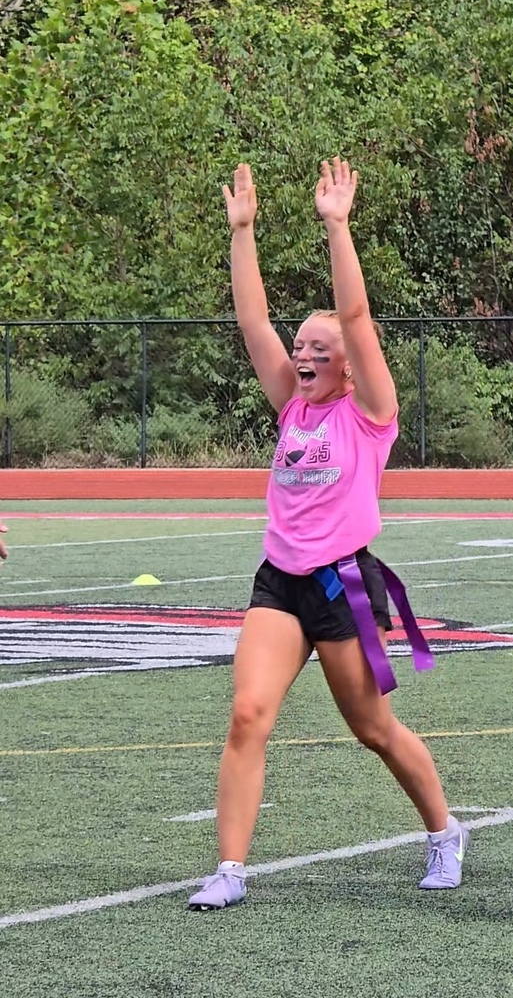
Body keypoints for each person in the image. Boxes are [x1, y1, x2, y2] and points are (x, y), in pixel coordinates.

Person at [188, 159, 468, 911]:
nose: (303, 356)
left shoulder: (368, 412)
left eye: (320, 348)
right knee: (248, 714)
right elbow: (253, 323)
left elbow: (357, 318)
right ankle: (230, 869)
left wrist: (337, 227)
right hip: (280, 582)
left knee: (373, 727)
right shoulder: (293, 404)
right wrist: (242, 232)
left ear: (348, 364)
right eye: (300, 347)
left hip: (344, 585)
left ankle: (444, 831)